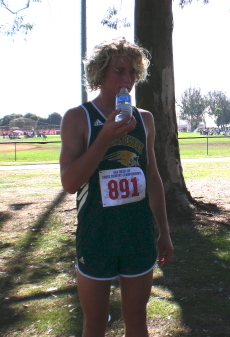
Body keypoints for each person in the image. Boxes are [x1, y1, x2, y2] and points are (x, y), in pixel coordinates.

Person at [59, 37, 174, 337]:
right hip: (97, 235)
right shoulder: (78, 118)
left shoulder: (145, 119)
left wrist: (164, 230)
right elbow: (70, 183)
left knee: (136, 319)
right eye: (120, 70)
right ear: (99, 73)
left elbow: (152, 177)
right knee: (95, 323)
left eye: (133, 72)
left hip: (138, 234)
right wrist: (105, 137)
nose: (127, 79)